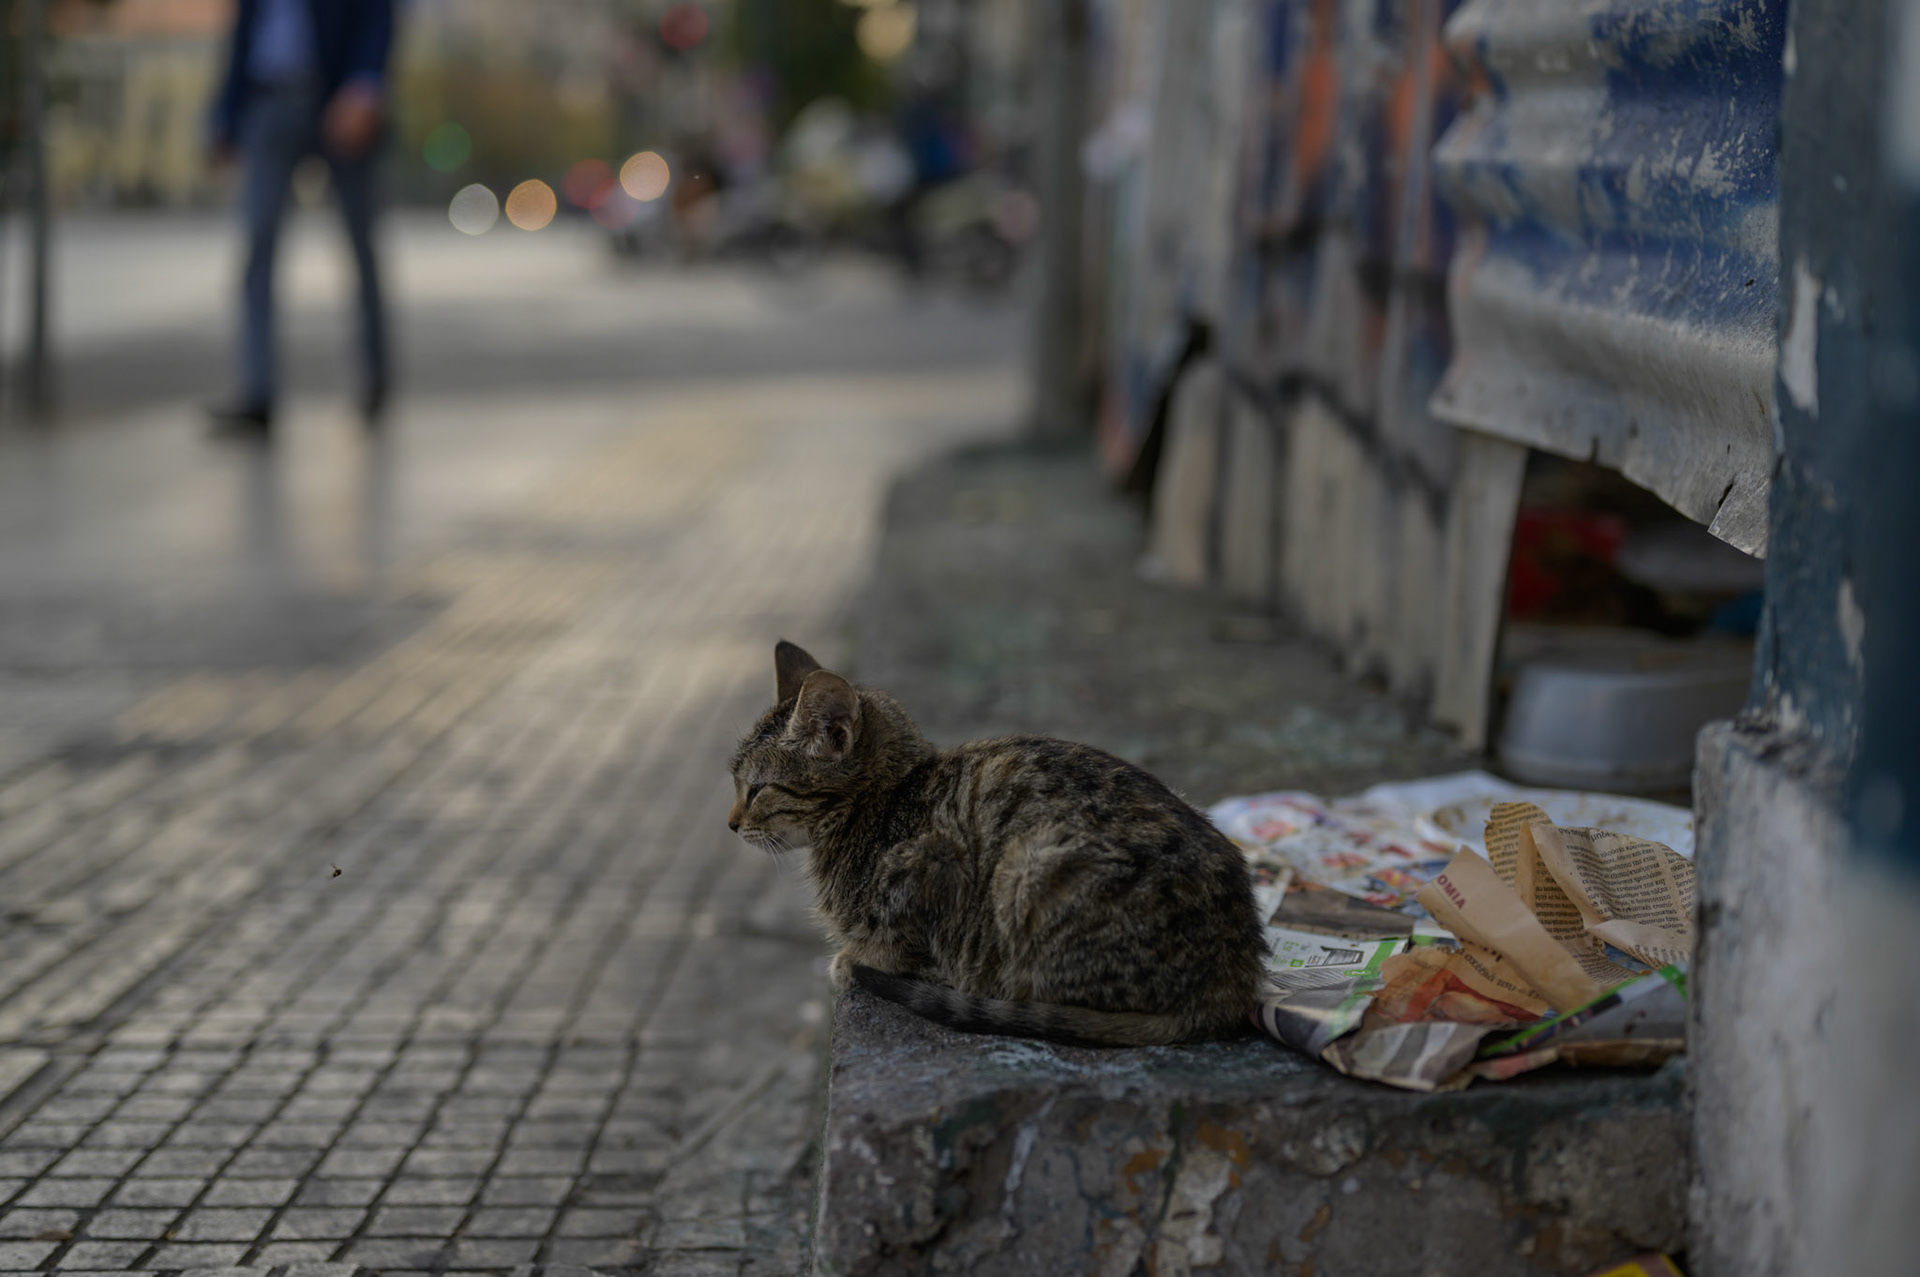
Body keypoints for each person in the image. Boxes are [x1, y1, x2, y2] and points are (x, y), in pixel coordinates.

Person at [207, 0, 395, 435]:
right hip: (267, 101)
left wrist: (365, 87)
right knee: (258, 246)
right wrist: (224, 117)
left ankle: (375, 379)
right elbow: (243, 35)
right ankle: (257, 392)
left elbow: (377, 15)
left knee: (361, 247)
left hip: (337, 96)